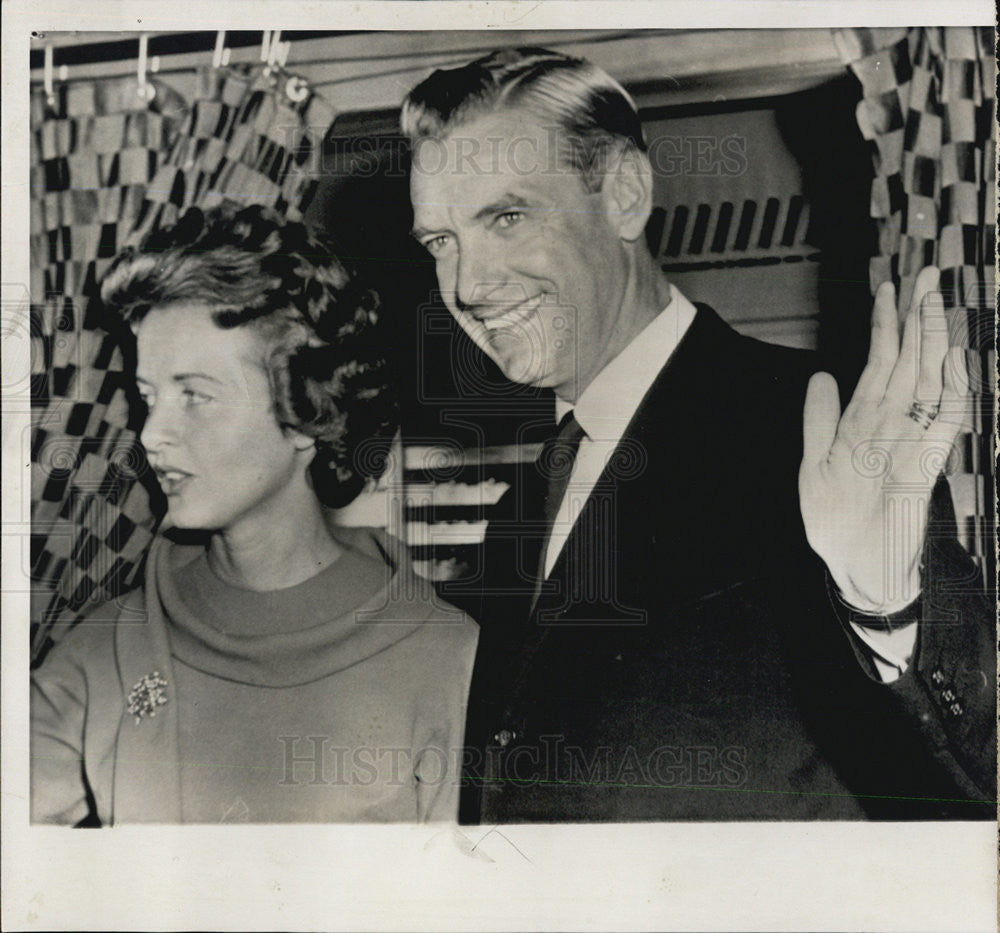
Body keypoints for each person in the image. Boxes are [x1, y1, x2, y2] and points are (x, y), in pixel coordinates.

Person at [401, 48, 995, 822]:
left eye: (507, 218)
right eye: (440, 242)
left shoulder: (812, 427)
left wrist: (887, 604)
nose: (468, 286)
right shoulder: (527, 498)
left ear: (624, 193)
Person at [30, 204, 479, 825]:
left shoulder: (446, 656)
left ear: (307, 411)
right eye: (148, 398)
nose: (152, 435)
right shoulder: (103, 650)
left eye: (196, 395)